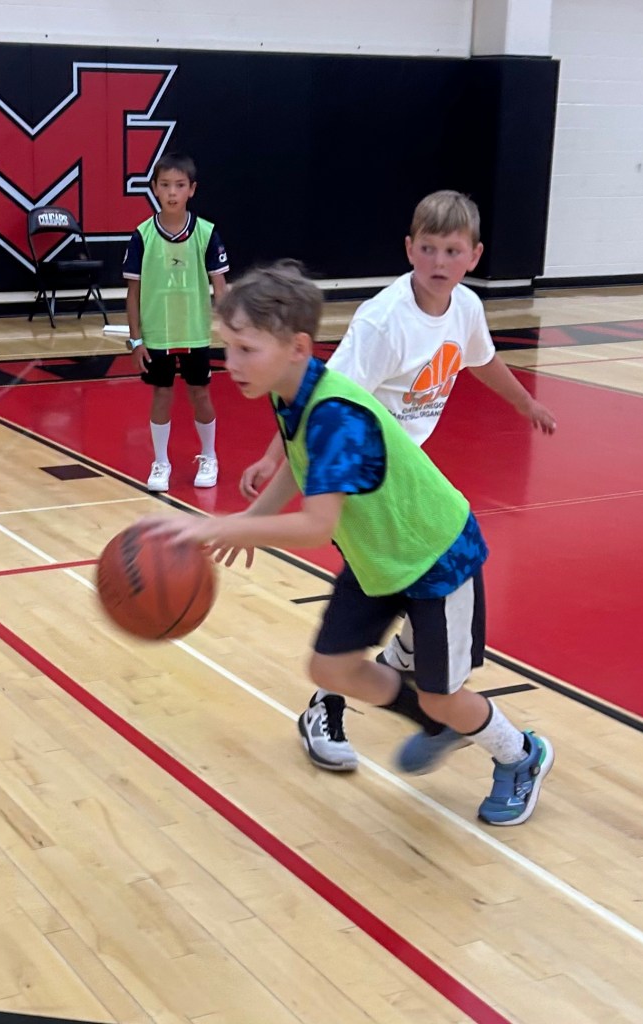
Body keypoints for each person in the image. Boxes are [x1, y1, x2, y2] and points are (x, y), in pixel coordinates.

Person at [141, 260, 554, 827]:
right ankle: (435, 724)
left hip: (435, 555)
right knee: (331, 668)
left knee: (444, 694)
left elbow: (315, 524)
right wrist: (255, 515)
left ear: (297, 346)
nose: (229, 363)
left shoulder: (336, 411)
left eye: (244, 349)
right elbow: (296, 456)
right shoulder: (290, 389)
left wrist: (222, 526)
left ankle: (520, 753)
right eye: (227, 347)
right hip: (378, 554)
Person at [239, 191, 557, 774]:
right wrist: (269, 464)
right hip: (359, 479)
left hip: (406, 488)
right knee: (377, 609)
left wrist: (524, 402)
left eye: (452, 250)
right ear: (409, 249)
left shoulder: (464, 308)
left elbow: (481, 360)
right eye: (428, 248)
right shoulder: (383, 322)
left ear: (473, 256)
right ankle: (346, 704)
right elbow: (317, 398)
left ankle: (428, 705)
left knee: (403, 600)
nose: (439, 261)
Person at [123, 152, 230, 492]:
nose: (172, 192)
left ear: (192, 190)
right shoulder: (142, 236)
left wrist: (230, 333)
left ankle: (210, 456)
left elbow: (220, 288)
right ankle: (160, 463)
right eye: (165, 185)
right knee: (161, 395)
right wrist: (136, 340)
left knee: (200, 394)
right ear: (154, 188)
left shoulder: (206, 233)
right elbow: (133, 293)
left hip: (195, 333)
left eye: (179, 186)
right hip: (157, 335)